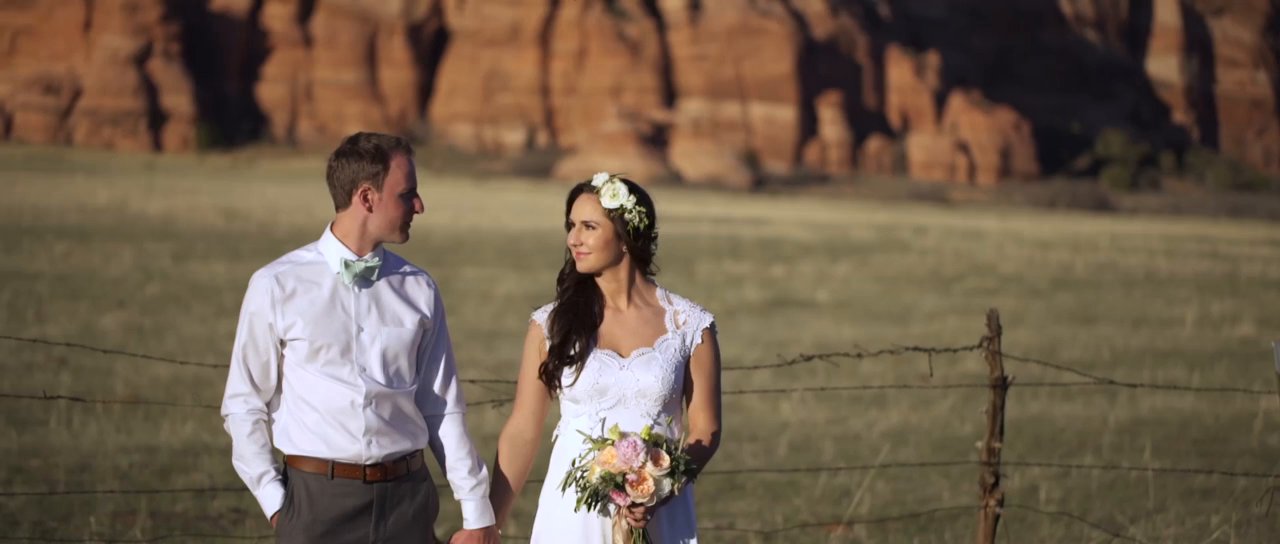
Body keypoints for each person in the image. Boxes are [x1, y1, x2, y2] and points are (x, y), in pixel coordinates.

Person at [220, 132, 499, 544]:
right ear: (367, 198)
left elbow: (441, 406)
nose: (419, 206)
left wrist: (477, 512)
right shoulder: (276, 285)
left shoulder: (419, 288)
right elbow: (244, 405)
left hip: (408, 504)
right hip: (315, 507)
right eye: (408, 195)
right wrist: (279, 506)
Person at [488, 172, 723, 542]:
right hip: (572, 517)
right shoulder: (550, 325)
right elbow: (521, 431)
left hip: (659, 518)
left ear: (626, 235)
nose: (573, 239)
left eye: (588, 226)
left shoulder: (690, 326)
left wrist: (658, 491)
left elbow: (705, 430)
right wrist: (487, 524)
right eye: (571, 226)